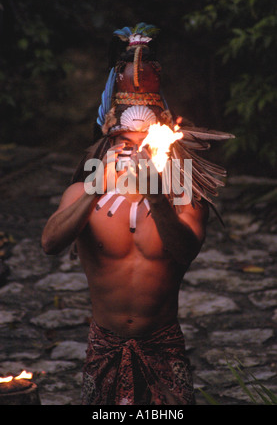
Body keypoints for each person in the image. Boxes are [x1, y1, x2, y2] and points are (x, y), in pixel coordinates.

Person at [41, 23, 233, 405]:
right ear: (108, 141)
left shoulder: (183, 197)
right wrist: (94, 194)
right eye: (124, 142)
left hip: (162, 345)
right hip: (104, 345)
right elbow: (49, 243)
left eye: (143, 142)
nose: (134, 152)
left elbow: (185, 252)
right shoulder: (83, 191)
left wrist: (158, 199)